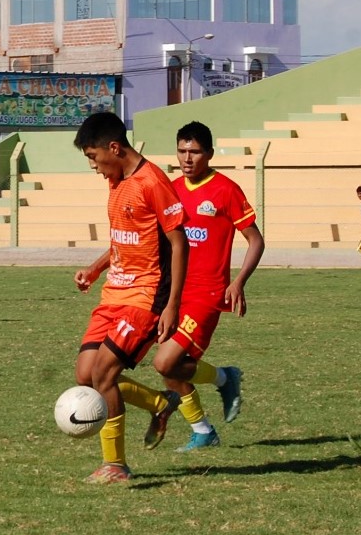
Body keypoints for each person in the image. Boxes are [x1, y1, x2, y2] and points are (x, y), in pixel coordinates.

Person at [71, 112, 189, 483]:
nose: (93, 165)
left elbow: (178, 242)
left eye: (93, 157)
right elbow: (124, 238)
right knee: (85, 376)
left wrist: (171, 306)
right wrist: (95, 268)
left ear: (114, 147)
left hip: (145, 296)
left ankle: (115, 465)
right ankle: (160, 402)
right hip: (114, 293)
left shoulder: (153, 182)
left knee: (105, 373)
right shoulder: (116, 181)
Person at [144, 121, 265, 452]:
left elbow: (255, 240)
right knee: (169, 368)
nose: (187, 158)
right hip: (175, 294)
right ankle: (204, 428)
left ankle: (224, 381)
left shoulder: (225, 189)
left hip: (208, 294)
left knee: (164, 362)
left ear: (209, 154)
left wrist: (238, 281)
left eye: (195, 151)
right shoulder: (170, 190)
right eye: (182, 150)